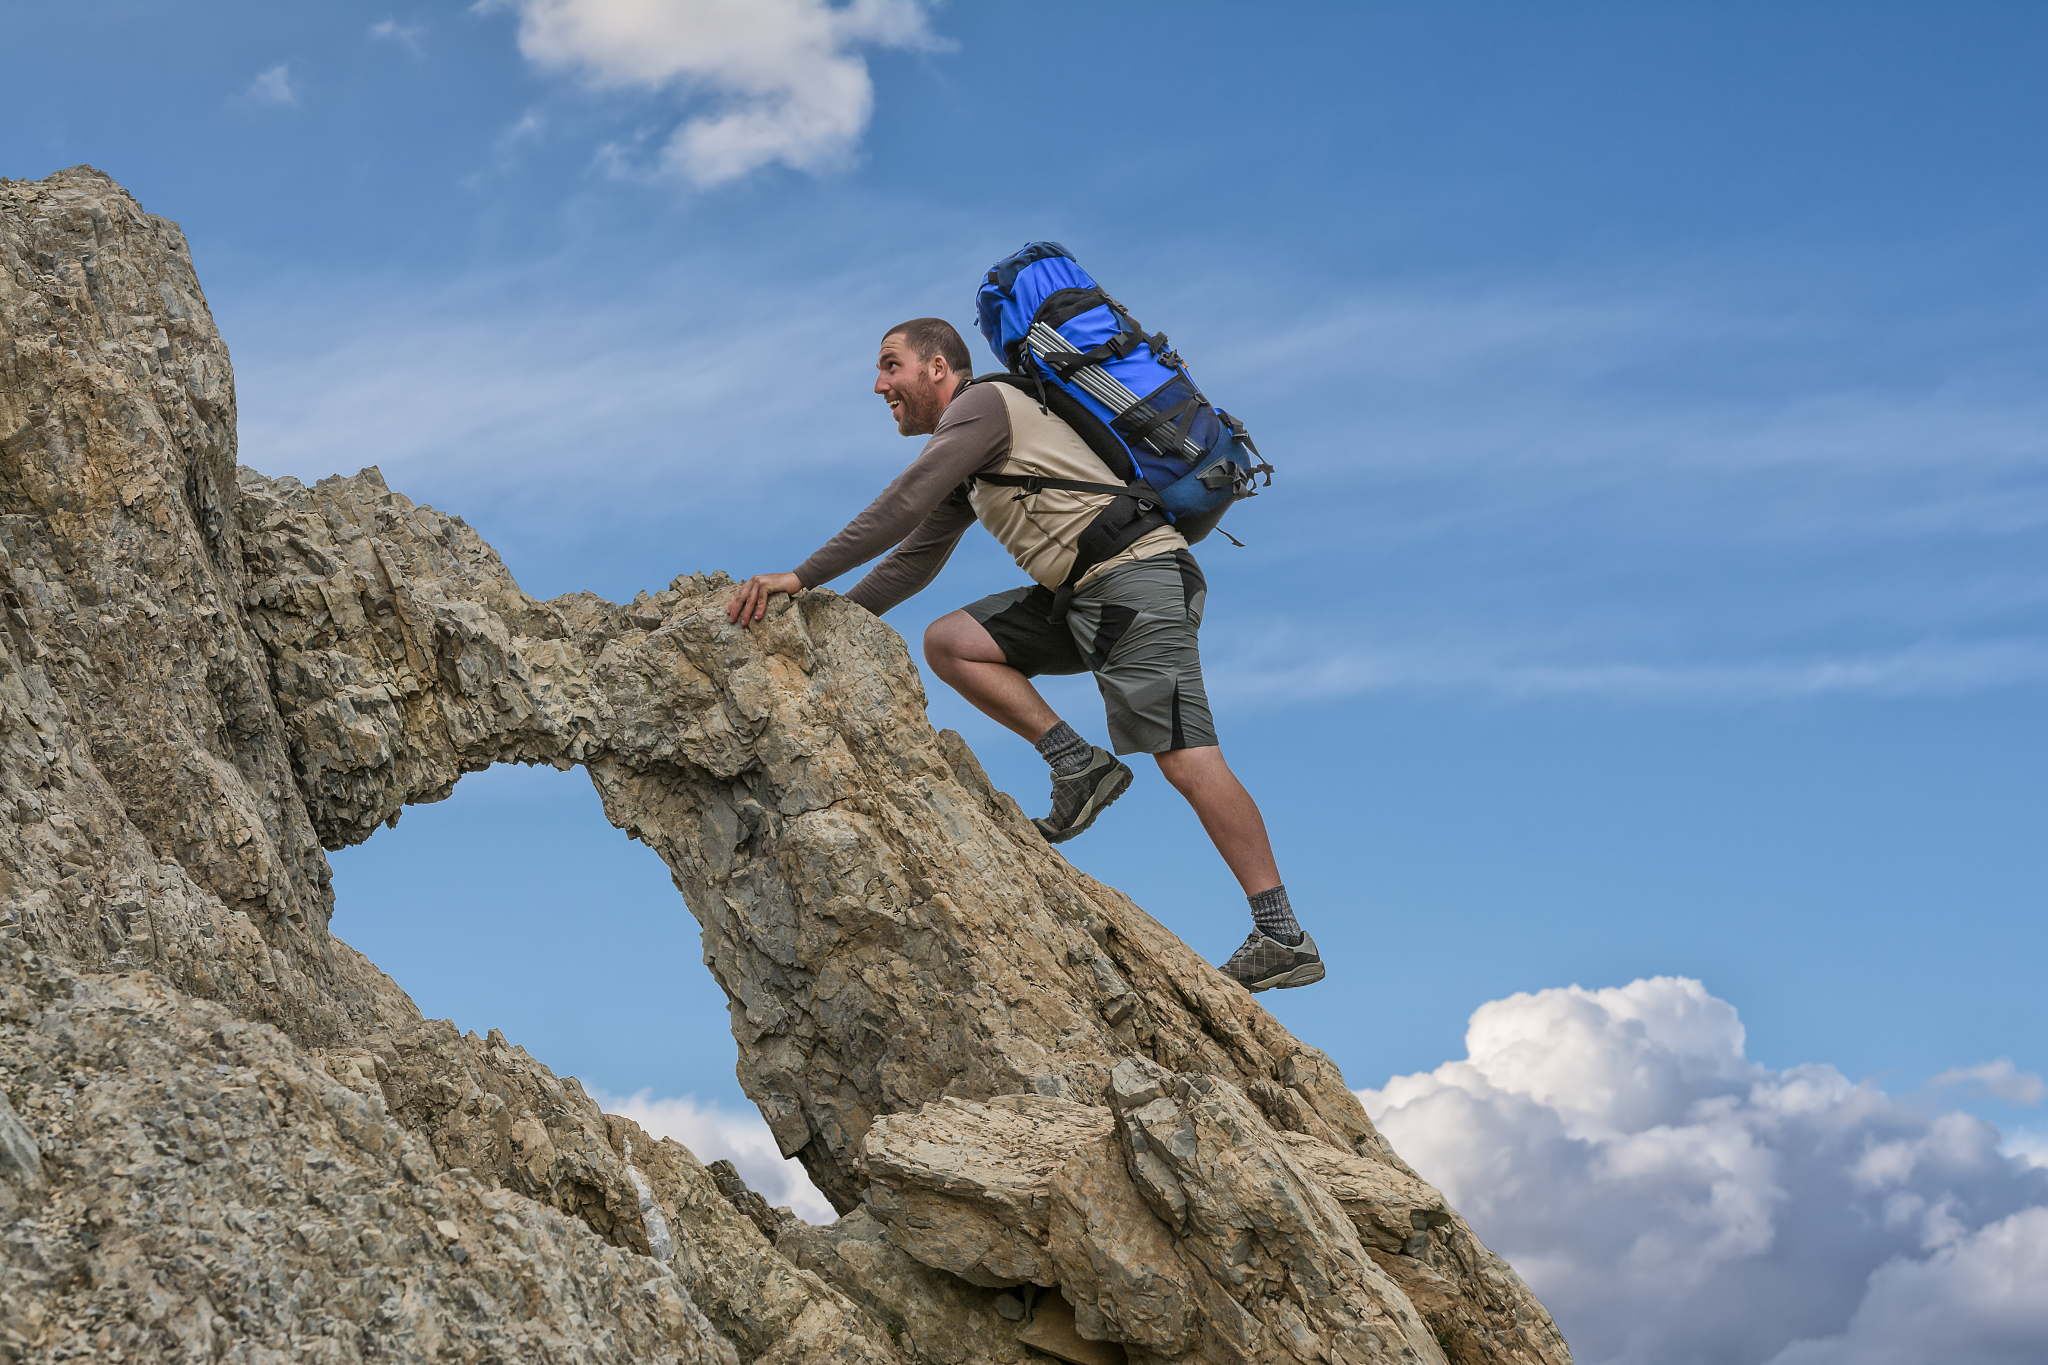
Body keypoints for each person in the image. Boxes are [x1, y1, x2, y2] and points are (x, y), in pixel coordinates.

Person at [726, 318, 1321, 992]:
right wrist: (818, 628)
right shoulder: (970, 457)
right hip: (1080, 595)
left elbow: (901, 502)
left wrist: (800, 578)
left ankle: (1282, 933)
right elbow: (912, 561)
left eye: (892, 366)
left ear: (940, 368)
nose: (879, 383)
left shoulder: (982, 407)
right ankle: (1079, 767)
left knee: (1185, 757)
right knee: (951, 641)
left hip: (1136, 578)